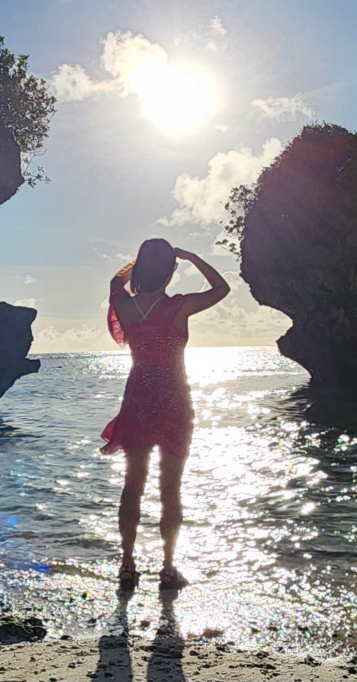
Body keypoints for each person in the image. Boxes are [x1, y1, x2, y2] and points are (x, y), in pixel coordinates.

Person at [101, 238, 229, 592]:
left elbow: (115, 281)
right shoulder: (178, 307)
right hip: (173, 400)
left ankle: (127, 566)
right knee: (170, 489)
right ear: (171, 271)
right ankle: (168, 569)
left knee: (133, 484)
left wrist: (136, 264)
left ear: (141, 268)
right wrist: (190, 256)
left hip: (137, 399)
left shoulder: (124, 305)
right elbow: (222, 288)